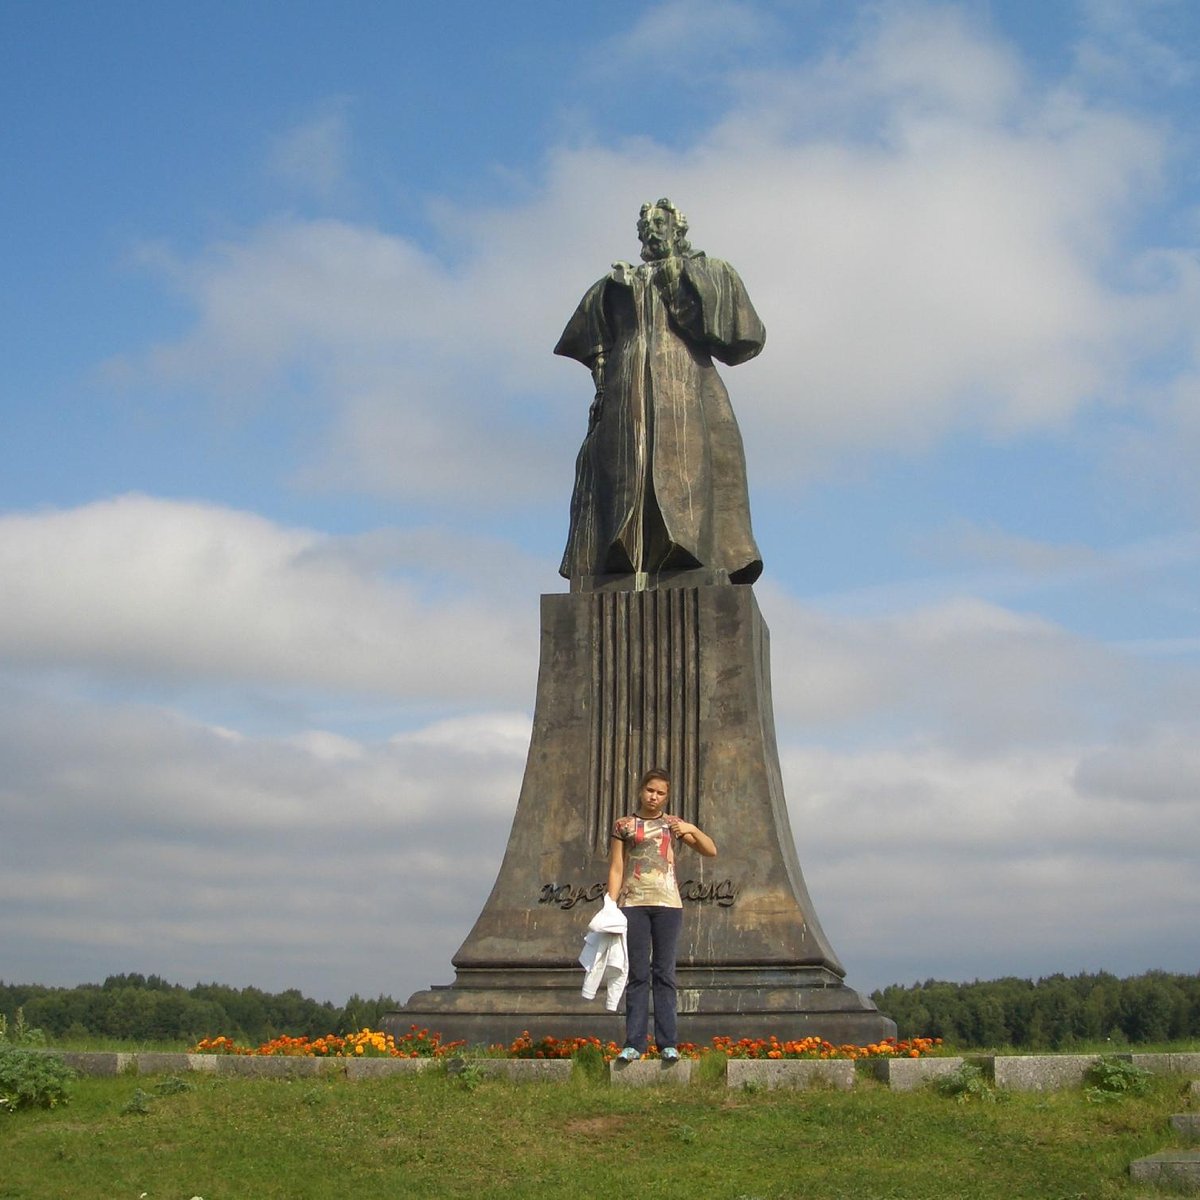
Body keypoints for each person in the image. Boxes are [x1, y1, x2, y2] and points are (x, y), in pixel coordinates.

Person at [555, 198, 766, 588]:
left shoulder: (709, 272)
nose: (651, 231)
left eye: (659, 224)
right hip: (625, 384)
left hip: (685, 379)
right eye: (645, 226)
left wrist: (676, 280)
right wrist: (602, 377)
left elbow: (740, 336)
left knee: (688, 465)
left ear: (678, 230)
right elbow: (593, 341)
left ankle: (687, 548)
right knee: (623, 469)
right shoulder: (612, 284)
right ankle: (624, 552)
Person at [607, 767, 717, 1060]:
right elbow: (617, 867)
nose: (654, 797)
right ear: (641, 790)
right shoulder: (624, 825)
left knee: (664, 973)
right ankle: (634, 1043)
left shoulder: (673, 825)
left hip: (668, 904)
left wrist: (691, 828)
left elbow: (710, 850)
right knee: (638, 974)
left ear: (666, 796)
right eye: (650, 790)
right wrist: (610, 902)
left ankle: (668, 1043)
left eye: (660, 793)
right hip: (633, 903)